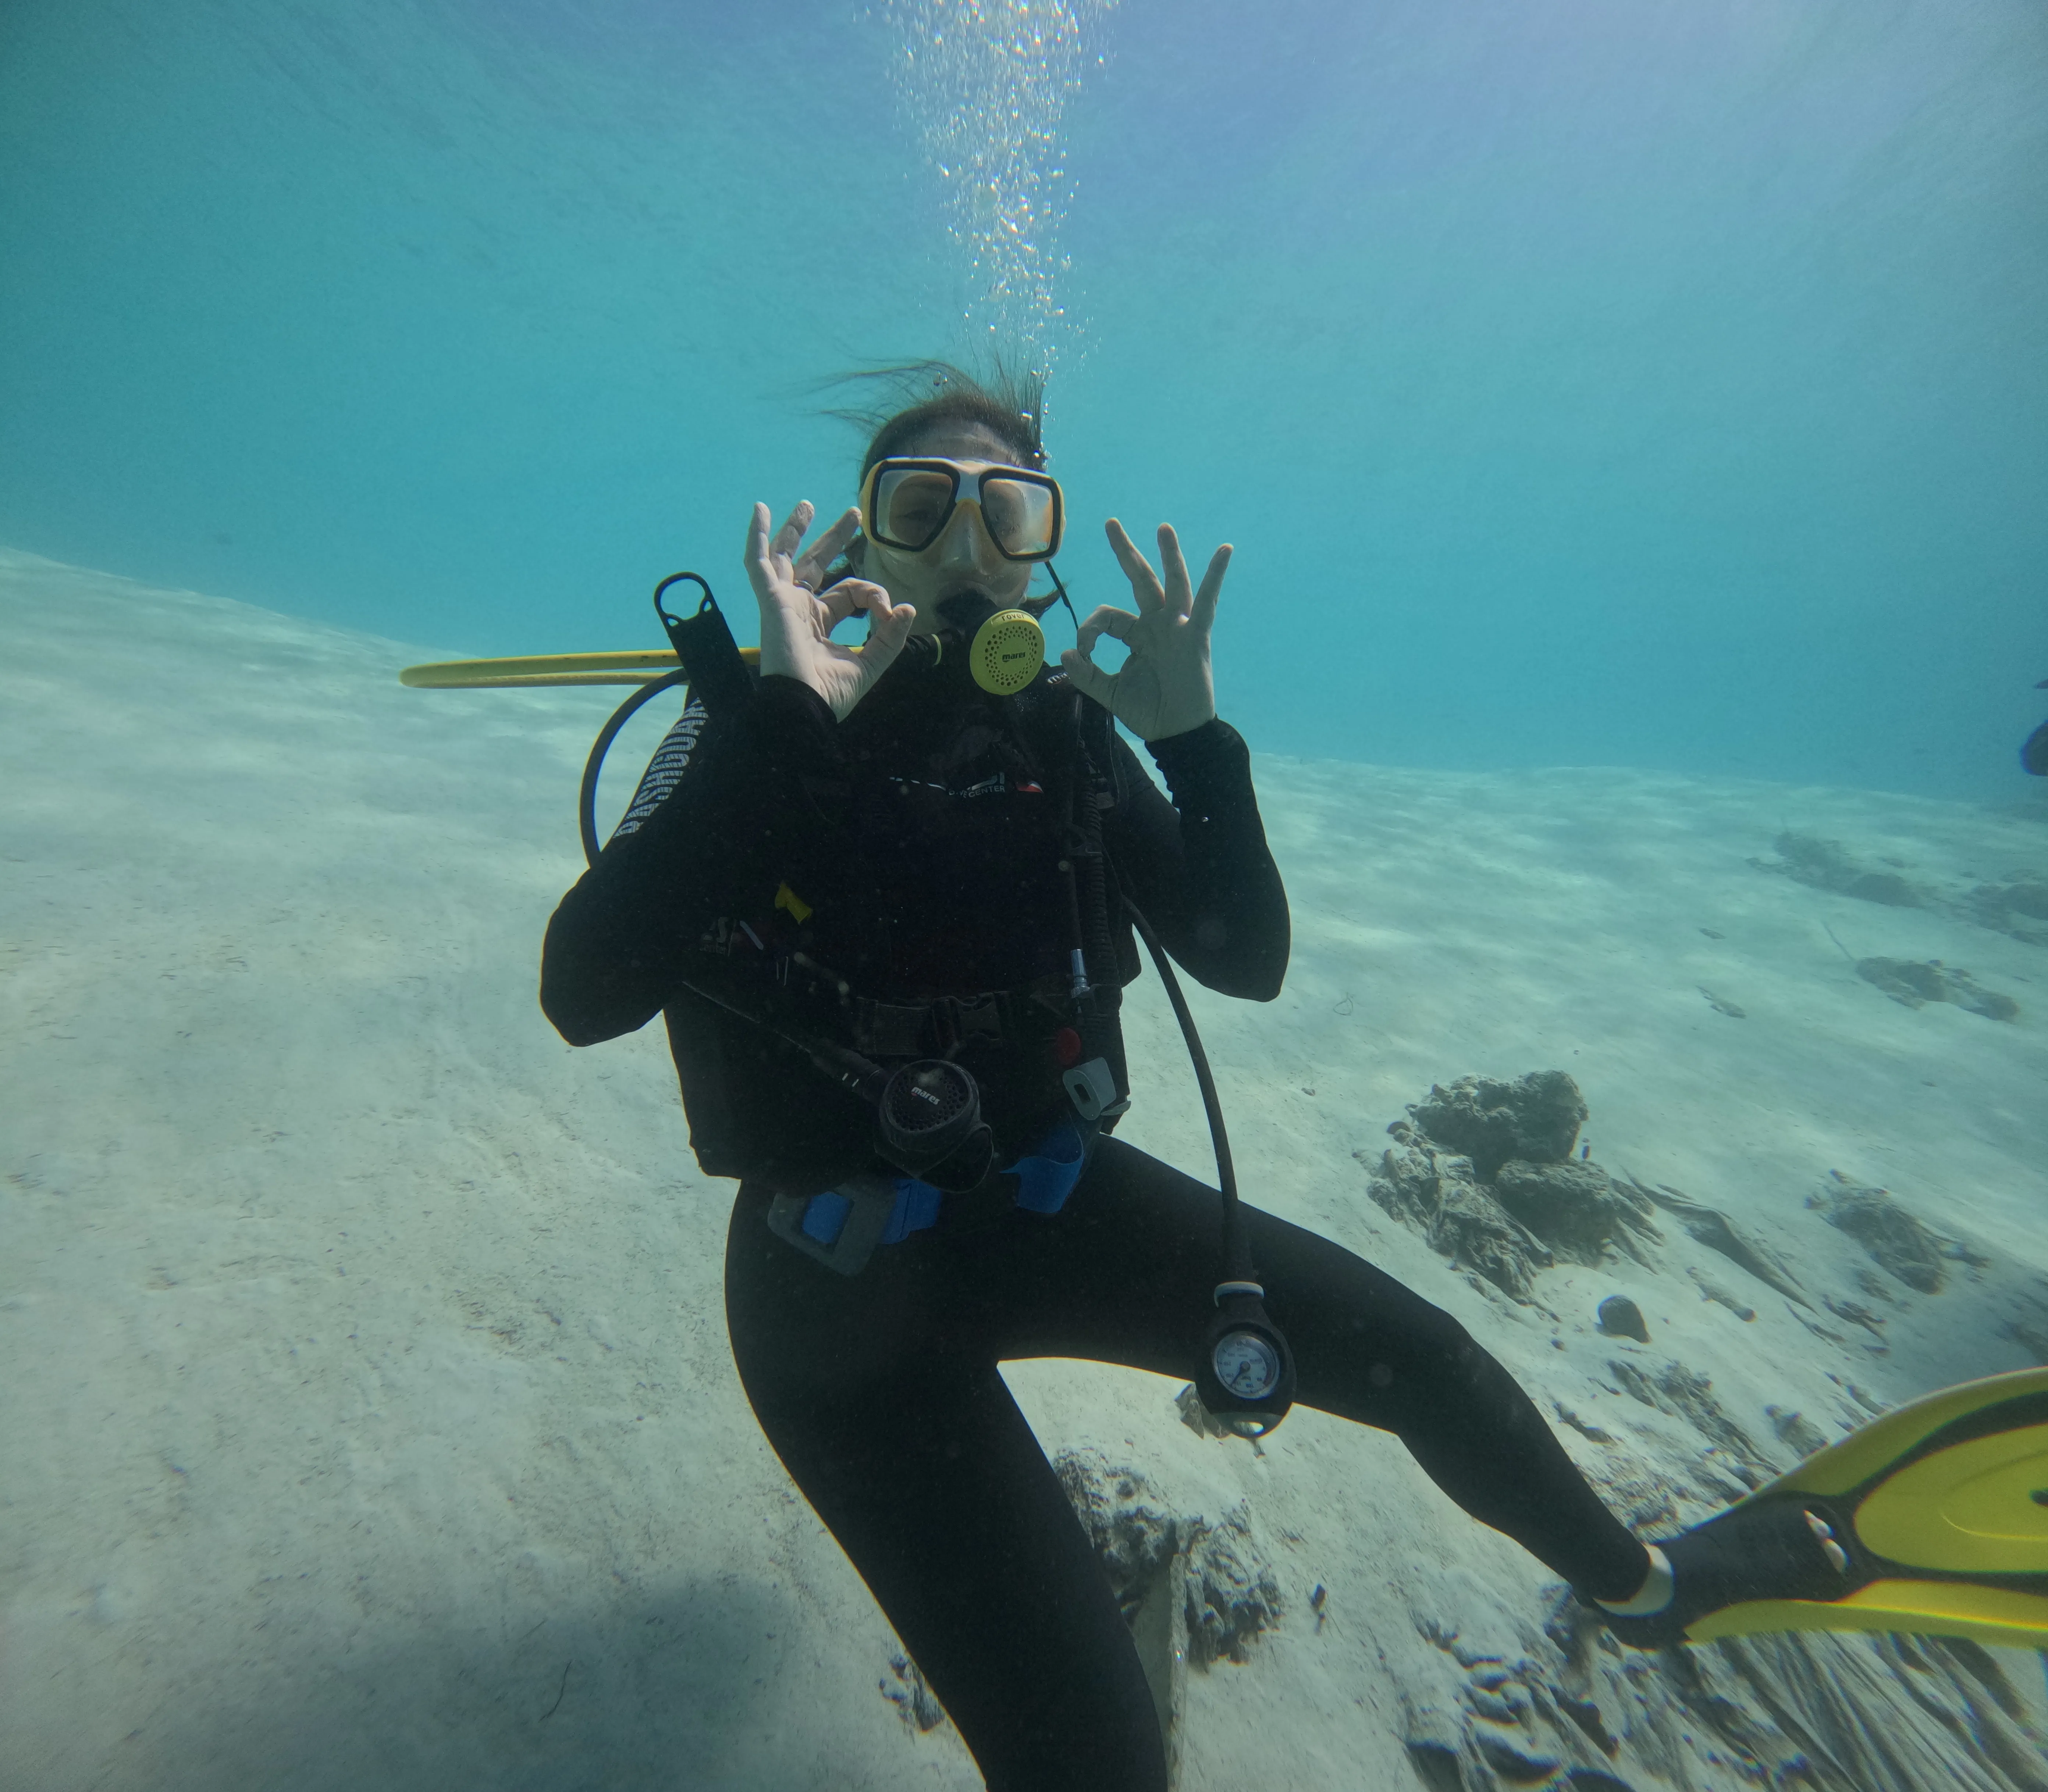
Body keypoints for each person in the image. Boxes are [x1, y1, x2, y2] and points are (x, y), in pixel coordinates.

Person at [536, 368, 1778, 1789]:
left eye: (1008, 516)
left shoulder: (1060, 735)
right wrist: (781, 726)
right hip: (841, 1309)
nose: (960, 548)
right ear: (857, 541)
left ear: (1046, 549)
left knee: (1427, 1362)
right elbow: (586, 995)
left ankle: (1645, 1590)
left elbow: (1244, 958)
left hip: (1055, 1206)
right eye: (920, 507)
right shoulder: (748, 727)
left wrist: (1192, 740)